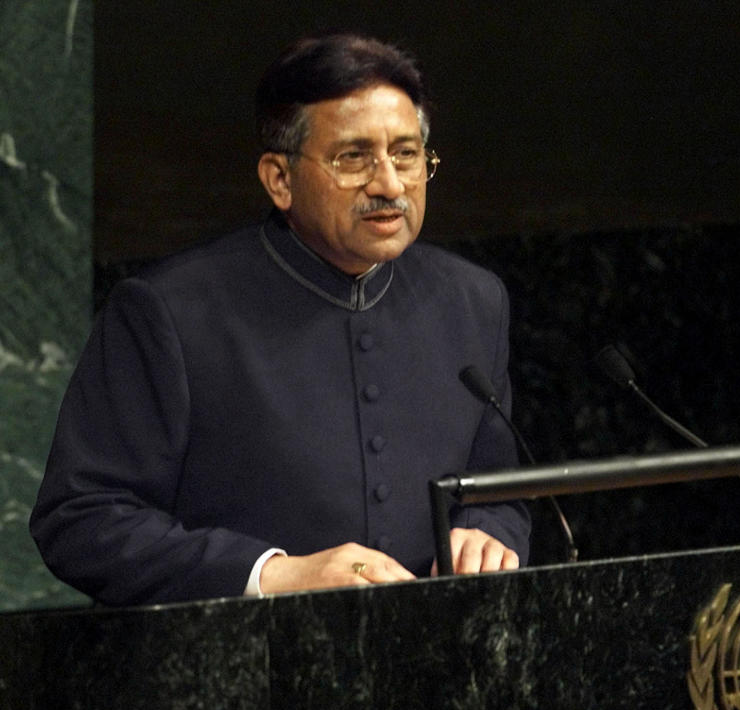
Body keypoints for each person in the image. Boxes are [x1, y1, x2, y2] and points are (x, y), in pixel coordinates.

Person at [30, 34, 530, 606]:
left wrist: (489, 536)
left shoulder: (473, 300)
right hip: (241, 671)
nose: (389, 185)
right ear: (279, 180)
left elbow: (497, 490)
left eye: (407, 154)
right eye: (353, 158)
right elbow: (80, 518)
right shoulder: (167, 311)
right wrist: (271, 575)